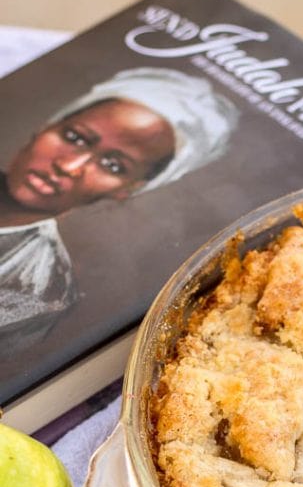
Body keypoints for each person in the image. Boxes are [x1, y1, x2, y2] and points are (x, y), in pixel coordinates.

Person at [0, 67, 238, 348]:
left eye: (113, 166)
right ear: (47, 126)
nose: (68, 166)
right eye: (75, 137)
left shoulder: (37, 290)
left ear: (130, 188)